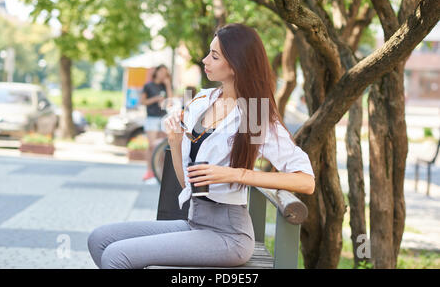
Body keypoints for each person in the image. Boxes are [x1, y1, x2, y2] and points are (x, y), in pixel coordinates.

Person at [87, 23, 315, 269]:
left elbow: (305, 181)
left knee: (116, 256)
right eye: (209, 52)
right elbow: (187, 184)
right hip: (195, 221)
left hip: (229, 235)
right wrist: (175, 142)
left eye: (215, 56)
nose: (205, 60)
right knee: (100, 240)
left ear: (237, 64)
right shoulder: (202, 101)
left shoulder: (253, 115)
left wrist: (238, 174)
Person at [140, 64, 173, 181]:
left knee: (162, 146)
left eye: (166, 72)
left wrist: (168, 85)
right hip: (152, 117)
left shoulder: (165, 86)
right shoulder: (148, 86)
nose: (163, 74)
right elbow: (142, 101)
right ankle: (149, 170)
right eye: (162, 71)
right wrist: (155, 99)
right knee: (151, 145)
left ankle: (159, 170)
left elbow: (170, 102)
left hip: (163, 117)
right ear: (157, 72)